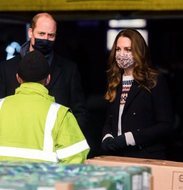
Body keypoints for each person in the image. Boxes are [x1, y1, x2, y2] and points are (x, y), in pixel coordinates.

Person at [0, 12, 87, 133]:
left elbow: (79, 113)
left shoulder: (69, 70)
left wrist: (67, 137)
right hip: (17, 141)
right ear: (31, 32)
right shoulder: (6, 69)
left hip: (55, 144)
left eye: (51, 35)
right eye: (41, 33)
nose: (45, 39)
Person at [0, 50, 89, 163]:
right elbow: (75, 162)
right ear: (48, 79)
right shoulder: (60, 115)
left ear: (18, 78)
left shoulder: (1, 107)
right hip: (43, 180)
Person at [101, 28, 174, 160]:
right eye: (118, 49)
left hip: (146, 157)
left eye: (128, 49)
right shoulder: (115, 81)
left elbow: (165, 125)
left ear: (138, 52)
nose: (121, 54)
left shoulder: (154, 81)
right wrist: (107, 137)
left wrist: (130, 138)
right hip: (118, 156)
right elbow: (109, 119)